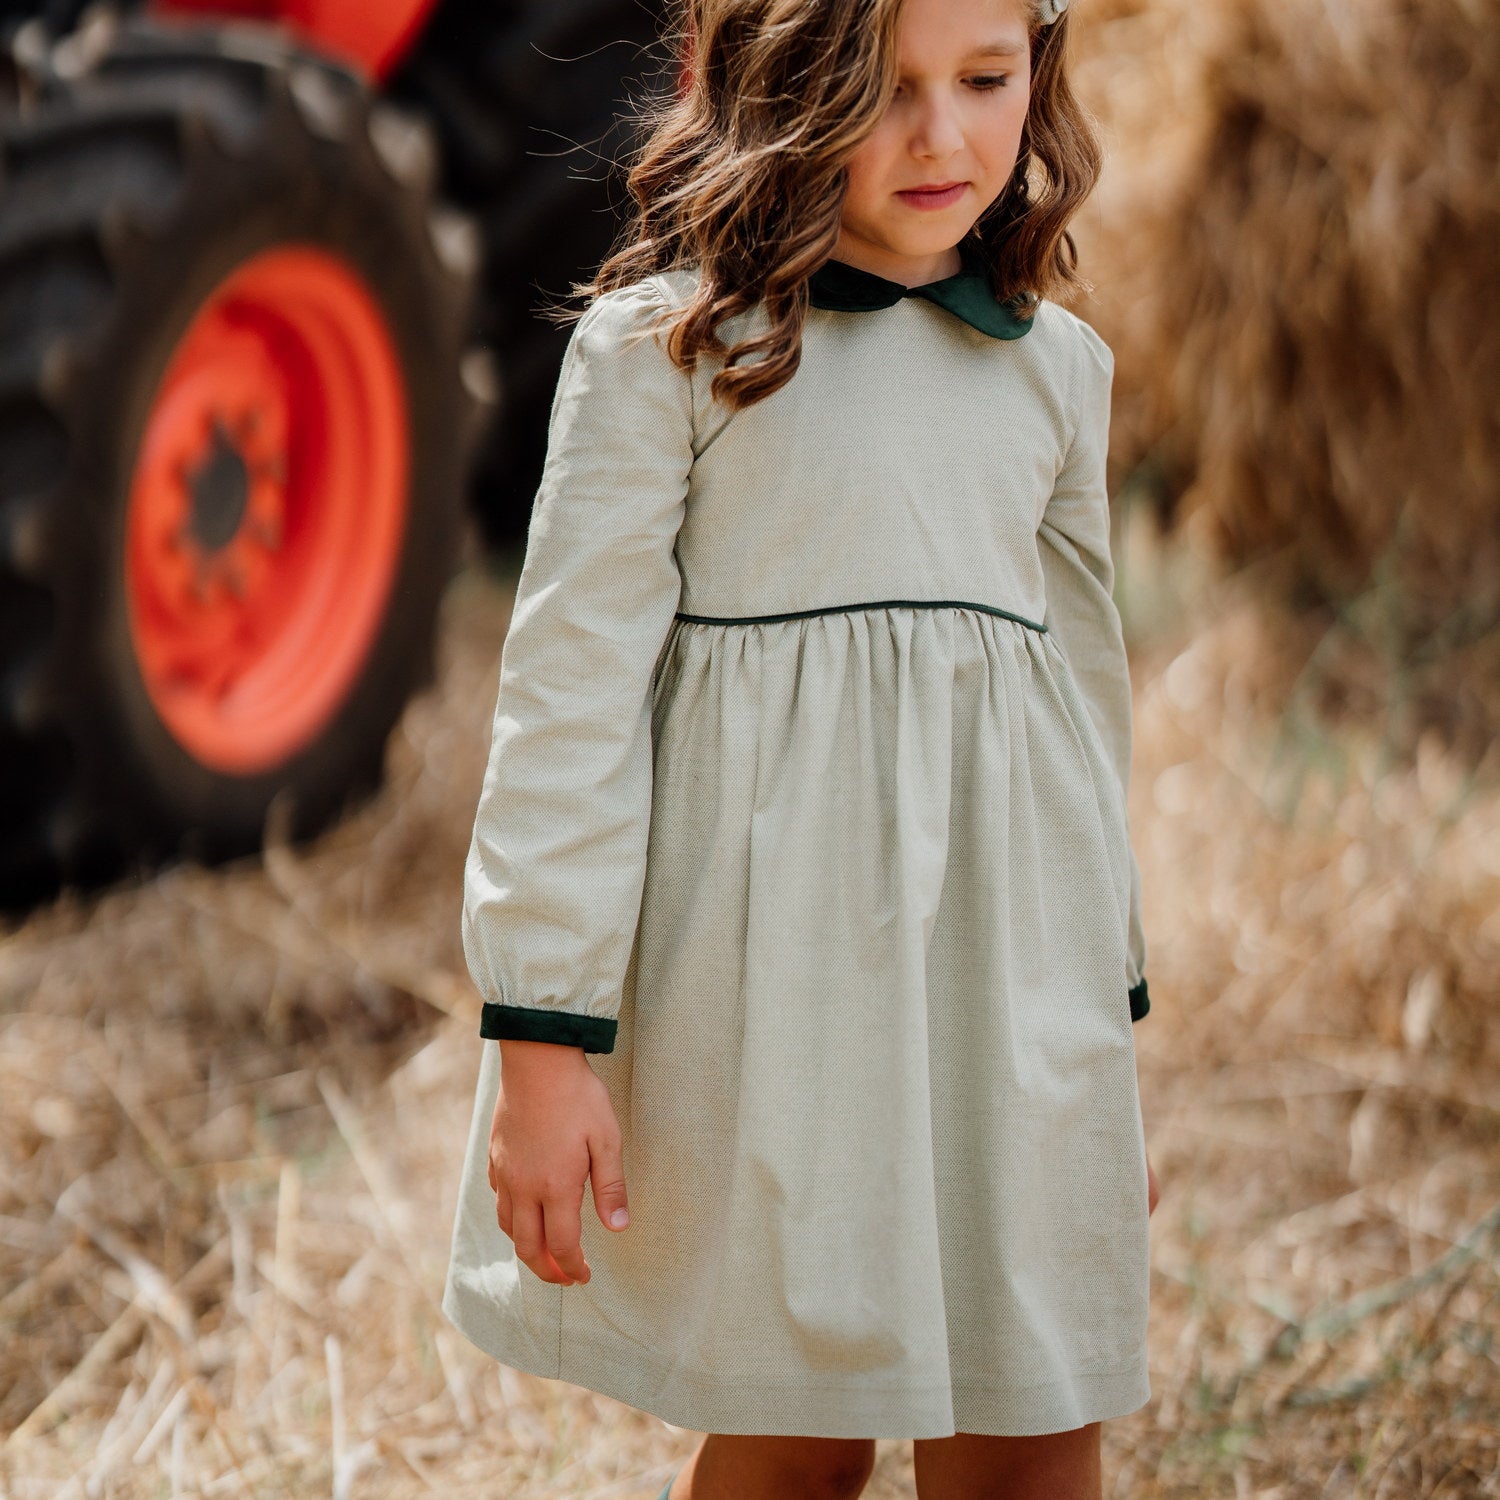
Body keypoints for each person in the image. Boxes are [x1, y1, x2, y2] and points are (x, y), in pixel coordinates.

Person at [442, 0, 1163, 1493]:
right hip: (778, 1011)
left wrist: (1104, 1053)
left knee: (1033, 1420)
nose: (942, 135)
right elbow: (567, 703)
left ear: (1042, 68)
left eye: (983, 81)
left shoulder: (1054, 373)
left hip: (1003, 992)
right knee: (799, 1427)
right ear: (780, 84)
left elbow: (1080, 723)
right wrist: (544, 1034)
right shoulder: (671, 355)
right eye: (883, 89)